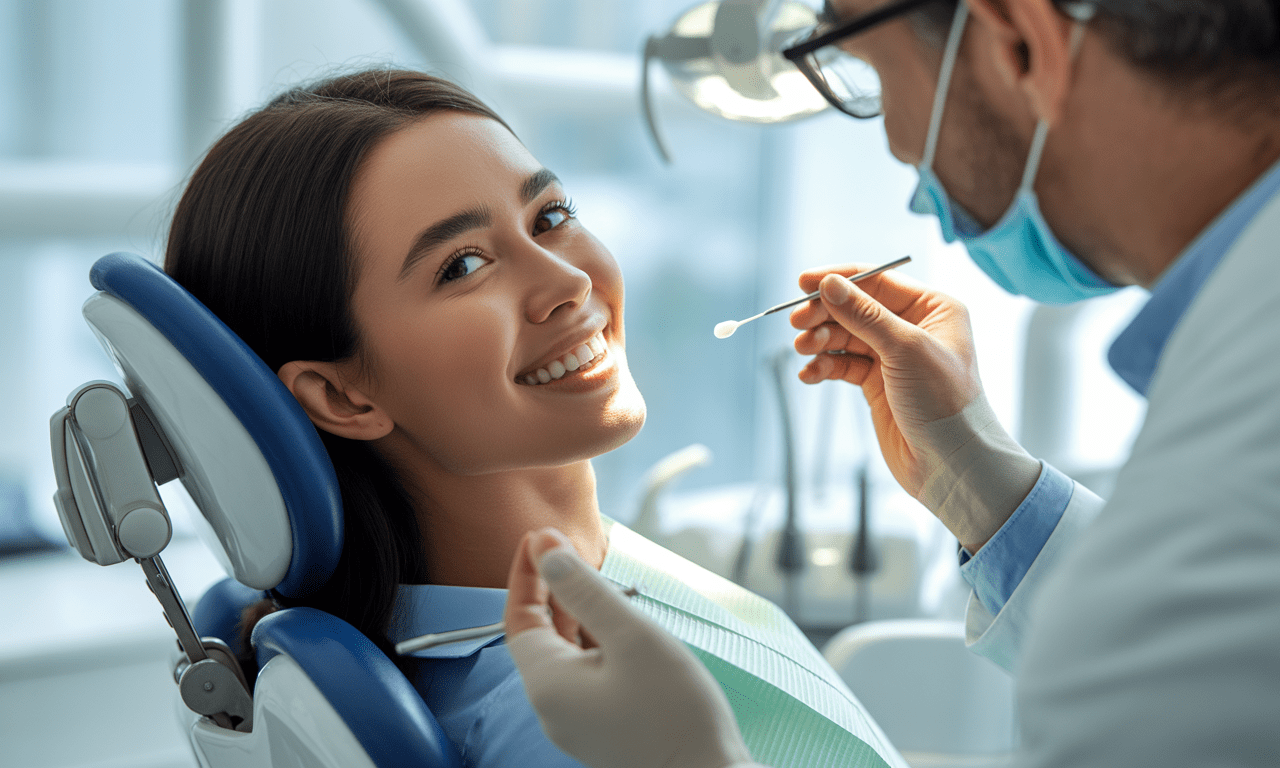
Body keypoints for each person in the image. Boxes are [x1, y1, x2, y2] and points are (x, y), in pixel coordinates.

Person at [503, 0, 1280, 766]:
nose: (905, 161)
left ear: (1021, 44)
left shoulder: (1238, 460)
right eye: (463, 265)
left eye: (873, 73)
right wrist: (979, 482)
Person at [166, 69, 903, 768]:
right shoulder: (554, 721)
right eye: (463, 265)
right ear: (342, 397)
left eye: (549, 217)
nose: (568, 280)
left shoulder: (599, 588)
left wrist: (963, 477)